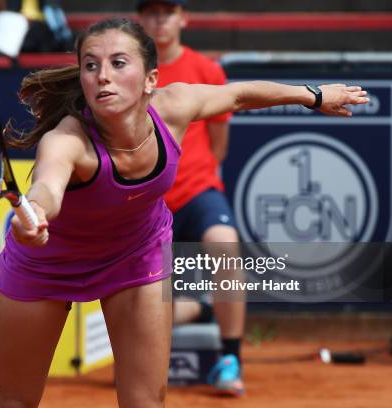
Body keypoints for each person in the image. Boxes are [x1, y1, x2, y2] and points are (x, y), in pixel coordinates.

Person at [0, 17, 368, 408]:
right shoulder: (67, 140)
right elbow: (48, 186)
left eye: (119, 63)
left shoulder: (174, 107)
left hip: (135, 256)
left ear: (151, 79)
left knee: (145, 402)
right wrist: (35, 211)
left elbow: (239, 95)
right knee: (14, 400)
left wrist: (314, 95)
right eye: (91, 64)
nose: (103, 76)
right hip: (47, 264)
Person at [137, 0, 246, 396]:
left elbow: (219, 147)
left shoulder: (207, 70)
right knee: (143, 302)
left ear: (182, 18)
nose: (159, 20)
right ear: (141, 19)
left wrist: (191, 173)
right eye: (151, 13)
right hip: (148, 198)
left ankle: (230, 358)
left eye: (167, 12)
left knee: (224, 242)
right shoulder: (131, 71)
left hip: (198, 190)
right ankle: (200, 307)